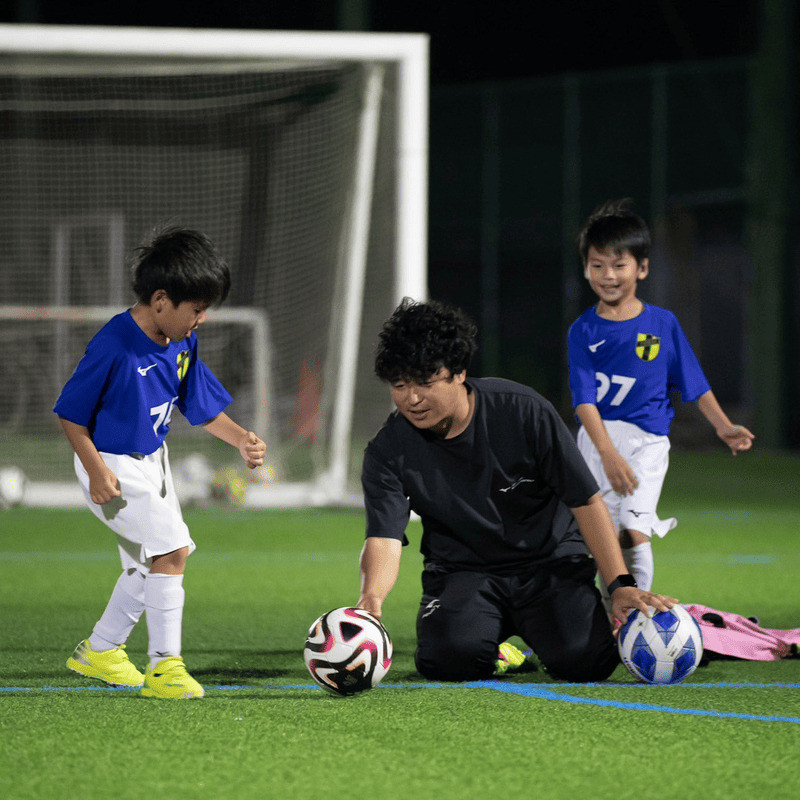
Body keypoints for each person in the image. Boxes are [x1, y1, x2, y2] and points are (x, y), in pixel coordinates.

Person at [357, 298, 675, 683]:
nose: (412, 398)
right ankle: (502, 651)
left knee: (586, 662)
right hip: (463, 571)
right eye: (400, 385)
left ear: (458, 372)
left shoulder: (522, 410)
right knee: (447, 662)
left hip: (549, 563)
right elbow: (385, 536)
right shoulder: (387, 450)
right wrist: (371, 599)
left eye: (425, 382)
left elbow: (585, 500)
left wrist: (620, 585)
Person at [54, 227, 266, 699]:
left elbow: (199, 404)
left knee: (144, 566)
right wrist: (95, 470)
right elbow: (70, 414)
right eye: (197, 309)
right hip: (111, 463)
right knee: (172, 552)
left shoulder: (182, 340)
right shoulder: (114, 344)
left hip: (154, 461)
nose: (202, 319)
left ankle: (101, 650)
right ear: (161, 300)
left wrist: (240, 440)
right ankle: (165, 668)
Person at [568, 199, 754, 607]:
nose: (608, 275)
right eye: (597, 265)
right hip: (597, 443)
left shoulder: (662, 324)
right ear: (585, 269)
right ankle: (608, 615)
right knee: (601, 534)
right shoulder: (582, 330)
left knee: (634, 529)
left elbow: (693, 382)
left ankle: (636, 616)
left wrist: (722, 425)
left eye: (619, 265)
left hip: (647, 444)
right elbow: (584, 402)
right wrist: (607, 453)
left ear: (642, 268)